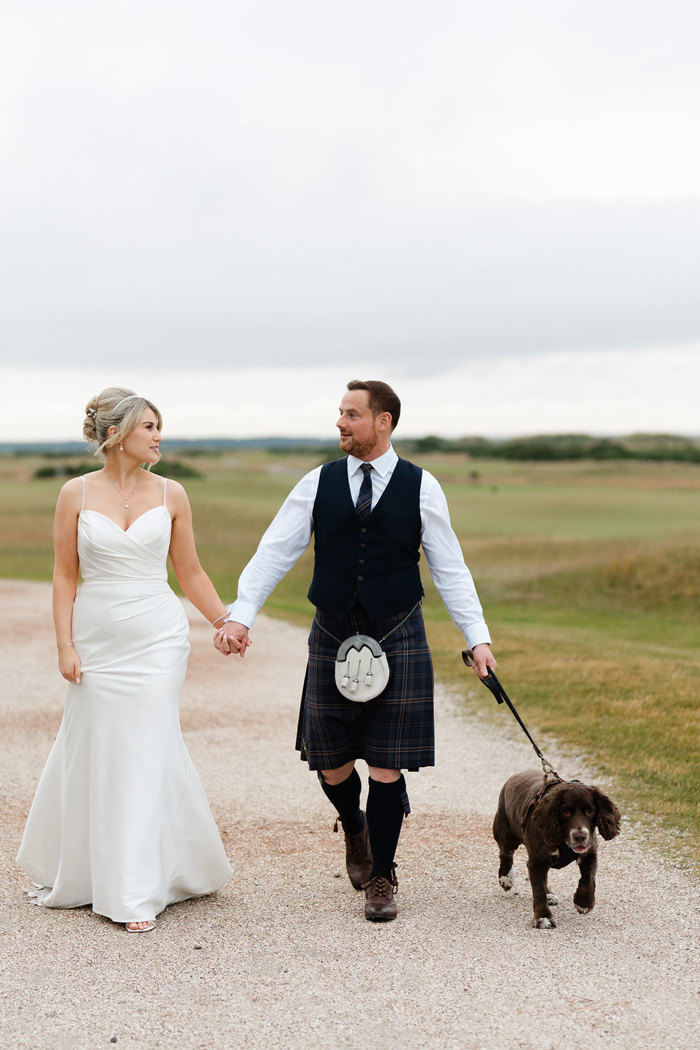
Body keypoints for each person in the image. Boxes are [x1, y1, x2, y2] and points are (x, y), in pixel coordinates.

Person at [215, 379, 496, 921]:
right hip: (333, 634)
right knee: (332, 760)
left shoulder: (421, 486)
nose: (340, 424)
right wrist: (242, 615)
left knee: (388, 766)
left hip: (397, 633)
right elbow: (275, 550)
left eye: (350, 414)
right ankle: (357, 826)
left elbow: (450, 567)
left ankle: (384, 877)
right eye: (339, 414)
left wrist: (476, 638)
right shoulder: (316, 483)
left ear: (383, 421)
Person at [17, 387, 233, 933]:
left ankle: (135, 889)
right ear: (115, 435)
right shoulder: (75, 494)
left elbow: (191, 573)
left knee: (145, 742)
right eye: (149, 427)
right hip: (98, 641)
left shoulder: (173, 494)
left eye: (160, 427)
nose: (159, 437)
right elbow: (65, 573)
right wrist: (65, 644)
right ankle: (92, 870)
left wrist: (224, 621)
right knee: (102, 747)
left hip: (159, 638)